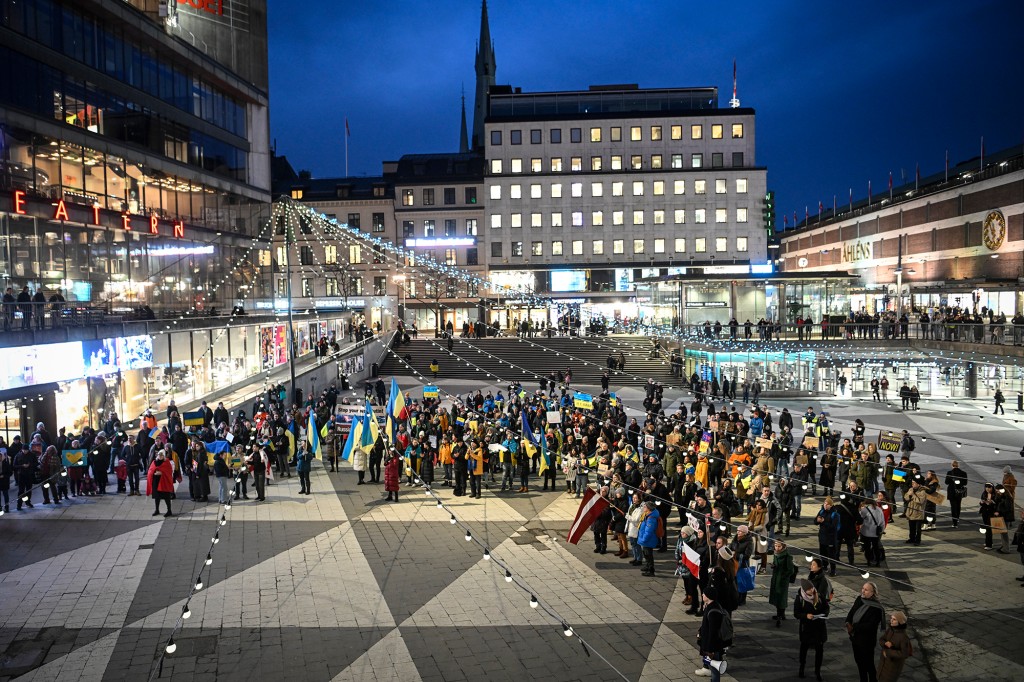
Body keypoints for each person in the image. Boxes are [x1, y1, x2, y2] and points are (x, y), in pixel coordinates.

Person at [846, 582, 886, 682]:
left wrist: (854, 627)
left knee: (869, 665)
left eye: (866, 590)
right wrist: (847, 622)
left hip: (866, 641)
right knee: (859, 662)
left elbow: (870, 626)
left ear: (873, 593)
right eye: (863, 588)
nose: (863, 591)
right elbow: (851, 612)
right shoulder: (859, 599)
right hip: (855, 638)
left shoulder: (876, 608)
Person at [794, 578, 830, 681]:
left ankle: (817, 671)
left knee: (819, 650)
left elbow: (826, 607)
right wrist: (806, 616)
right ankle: (802, 668)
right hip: (807, 628)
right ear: (804, 590)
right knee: (804, 648)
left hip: (819, 627)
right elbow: (796, 613)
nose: (811, 591)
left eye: (812, 588)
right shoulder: (800, 599)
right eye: (808, 589)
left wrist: (824, 614)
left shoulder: (820, 596)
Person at [695, 585, 731, 681]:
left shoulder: (713, 612)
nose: (702, 595)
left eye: (704, 594)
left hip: (712, 646)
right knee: (712, 667)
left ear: (708, 596)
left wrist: (710, 650)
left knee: (714, 670)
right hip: (711, 645)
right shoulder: (711, 606)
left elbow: (713, 633)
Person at [877, 611, 912, 682]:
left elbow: (904, 654)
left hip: (893, 667)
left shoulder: (903, 637)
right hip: (883, 663)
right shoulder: (890, 630)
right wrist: (885, 643)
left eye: (894, 619)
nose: (891, 621)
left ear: (900, 622)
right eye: (891, 618)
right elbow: (881, 639)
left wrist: (888, 652)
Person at [769, 539, 796, 626]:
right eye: (776, 546)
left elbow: (790, 570)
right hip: (776, 578)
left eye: (779, 546)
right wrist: (773, 566)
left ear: (783, 546)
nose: (777, 548)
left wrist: (783, 577)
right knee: (777, 596)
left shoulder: (787, 556)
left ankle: (780, 615)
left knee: (782, 597)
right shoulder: (776, 554)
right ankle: (780, 614)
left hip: (782, 580)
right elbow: (775, 563)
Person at [146, 449, 175, 517]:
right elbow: (150, 471)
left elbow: (169, 472)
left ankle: (169, 510)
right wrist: (153, 473)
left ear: (164, 456)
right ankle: (157, 510)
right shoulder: (154, 462)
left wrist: (162, 473)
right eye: (159, 454)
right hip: (156, 481)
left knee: (166, 497)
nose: (160, 456)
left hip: (164, 482)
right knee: (157, 497)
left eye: (162, 455)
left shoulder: (167, 462)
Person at [637, 500, 661, 577]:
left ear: (649, 508)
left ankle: (651, 570)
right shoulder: (647, 514)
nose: (643, 507)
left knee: (648, 555)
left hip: (648, 539)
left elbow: (649, 531)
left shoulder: (651, 518)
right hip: (646, 539)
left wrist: (644, 539)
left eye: (645, 507)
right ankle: (647, 566)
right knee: (646, 554)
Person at [944, 460, 968, 528]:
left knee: (953, 507)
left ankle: (954, 522)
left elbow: (946, 482)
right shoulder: (963, 473)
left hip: (952, 491)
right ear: (958, 465)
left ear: (952, 465)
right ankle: (957, 518)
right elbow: (965, 483)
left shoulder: (949, 472)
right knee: (958, 505)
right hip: (959, 491)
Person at [903, 478, 926, 545]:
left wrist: (913, 495)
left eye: (914, 483)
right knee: (911, 527)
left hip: (918, 512)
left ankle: (918, 540)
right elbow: (906, 497)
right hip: (911, 511)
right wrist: (909, 495)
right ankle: (911, 538)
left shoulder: (922, 492)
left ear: (918, 484)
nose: (912, 484)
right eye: (912, 482)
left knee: (918, 528)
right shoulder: (911, 489)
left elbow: (920, 501)